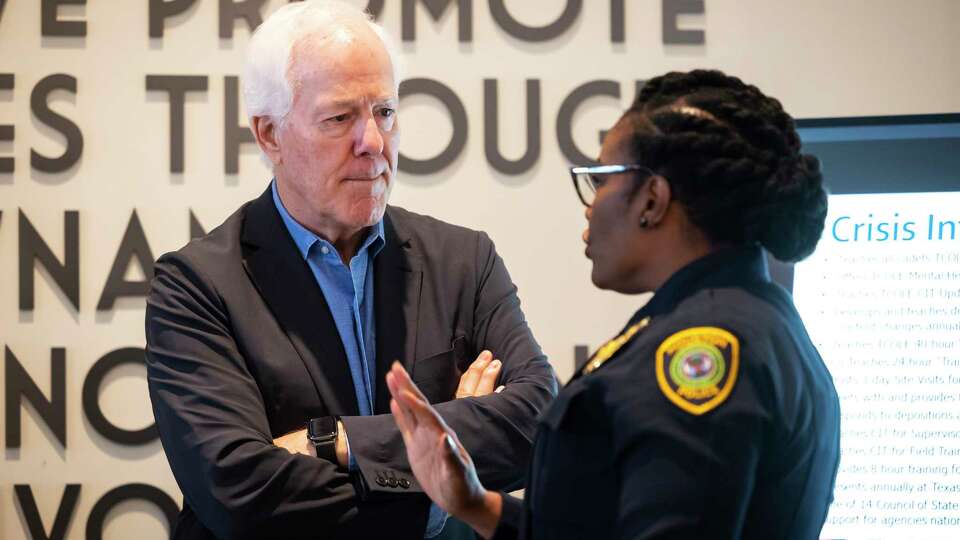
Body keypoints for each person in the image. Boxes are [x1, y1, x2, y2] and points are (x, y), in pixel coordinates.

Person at [144, 2, 557, 539]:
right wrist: (442, 487)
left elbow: (539, 422)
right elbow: (241, 492)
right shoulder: (196, 285)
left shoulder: (464, 260)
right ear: (269, 134)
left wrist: (332, 440)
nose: (374, 143)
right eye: (340, 118)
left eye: (385, 112)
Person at [386, 69, 842, 539]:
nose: (590, 206)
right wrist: (476, 504)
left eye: (600, 180)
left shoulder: (698, 356)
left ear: (652, 200)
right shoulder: (759, 320)